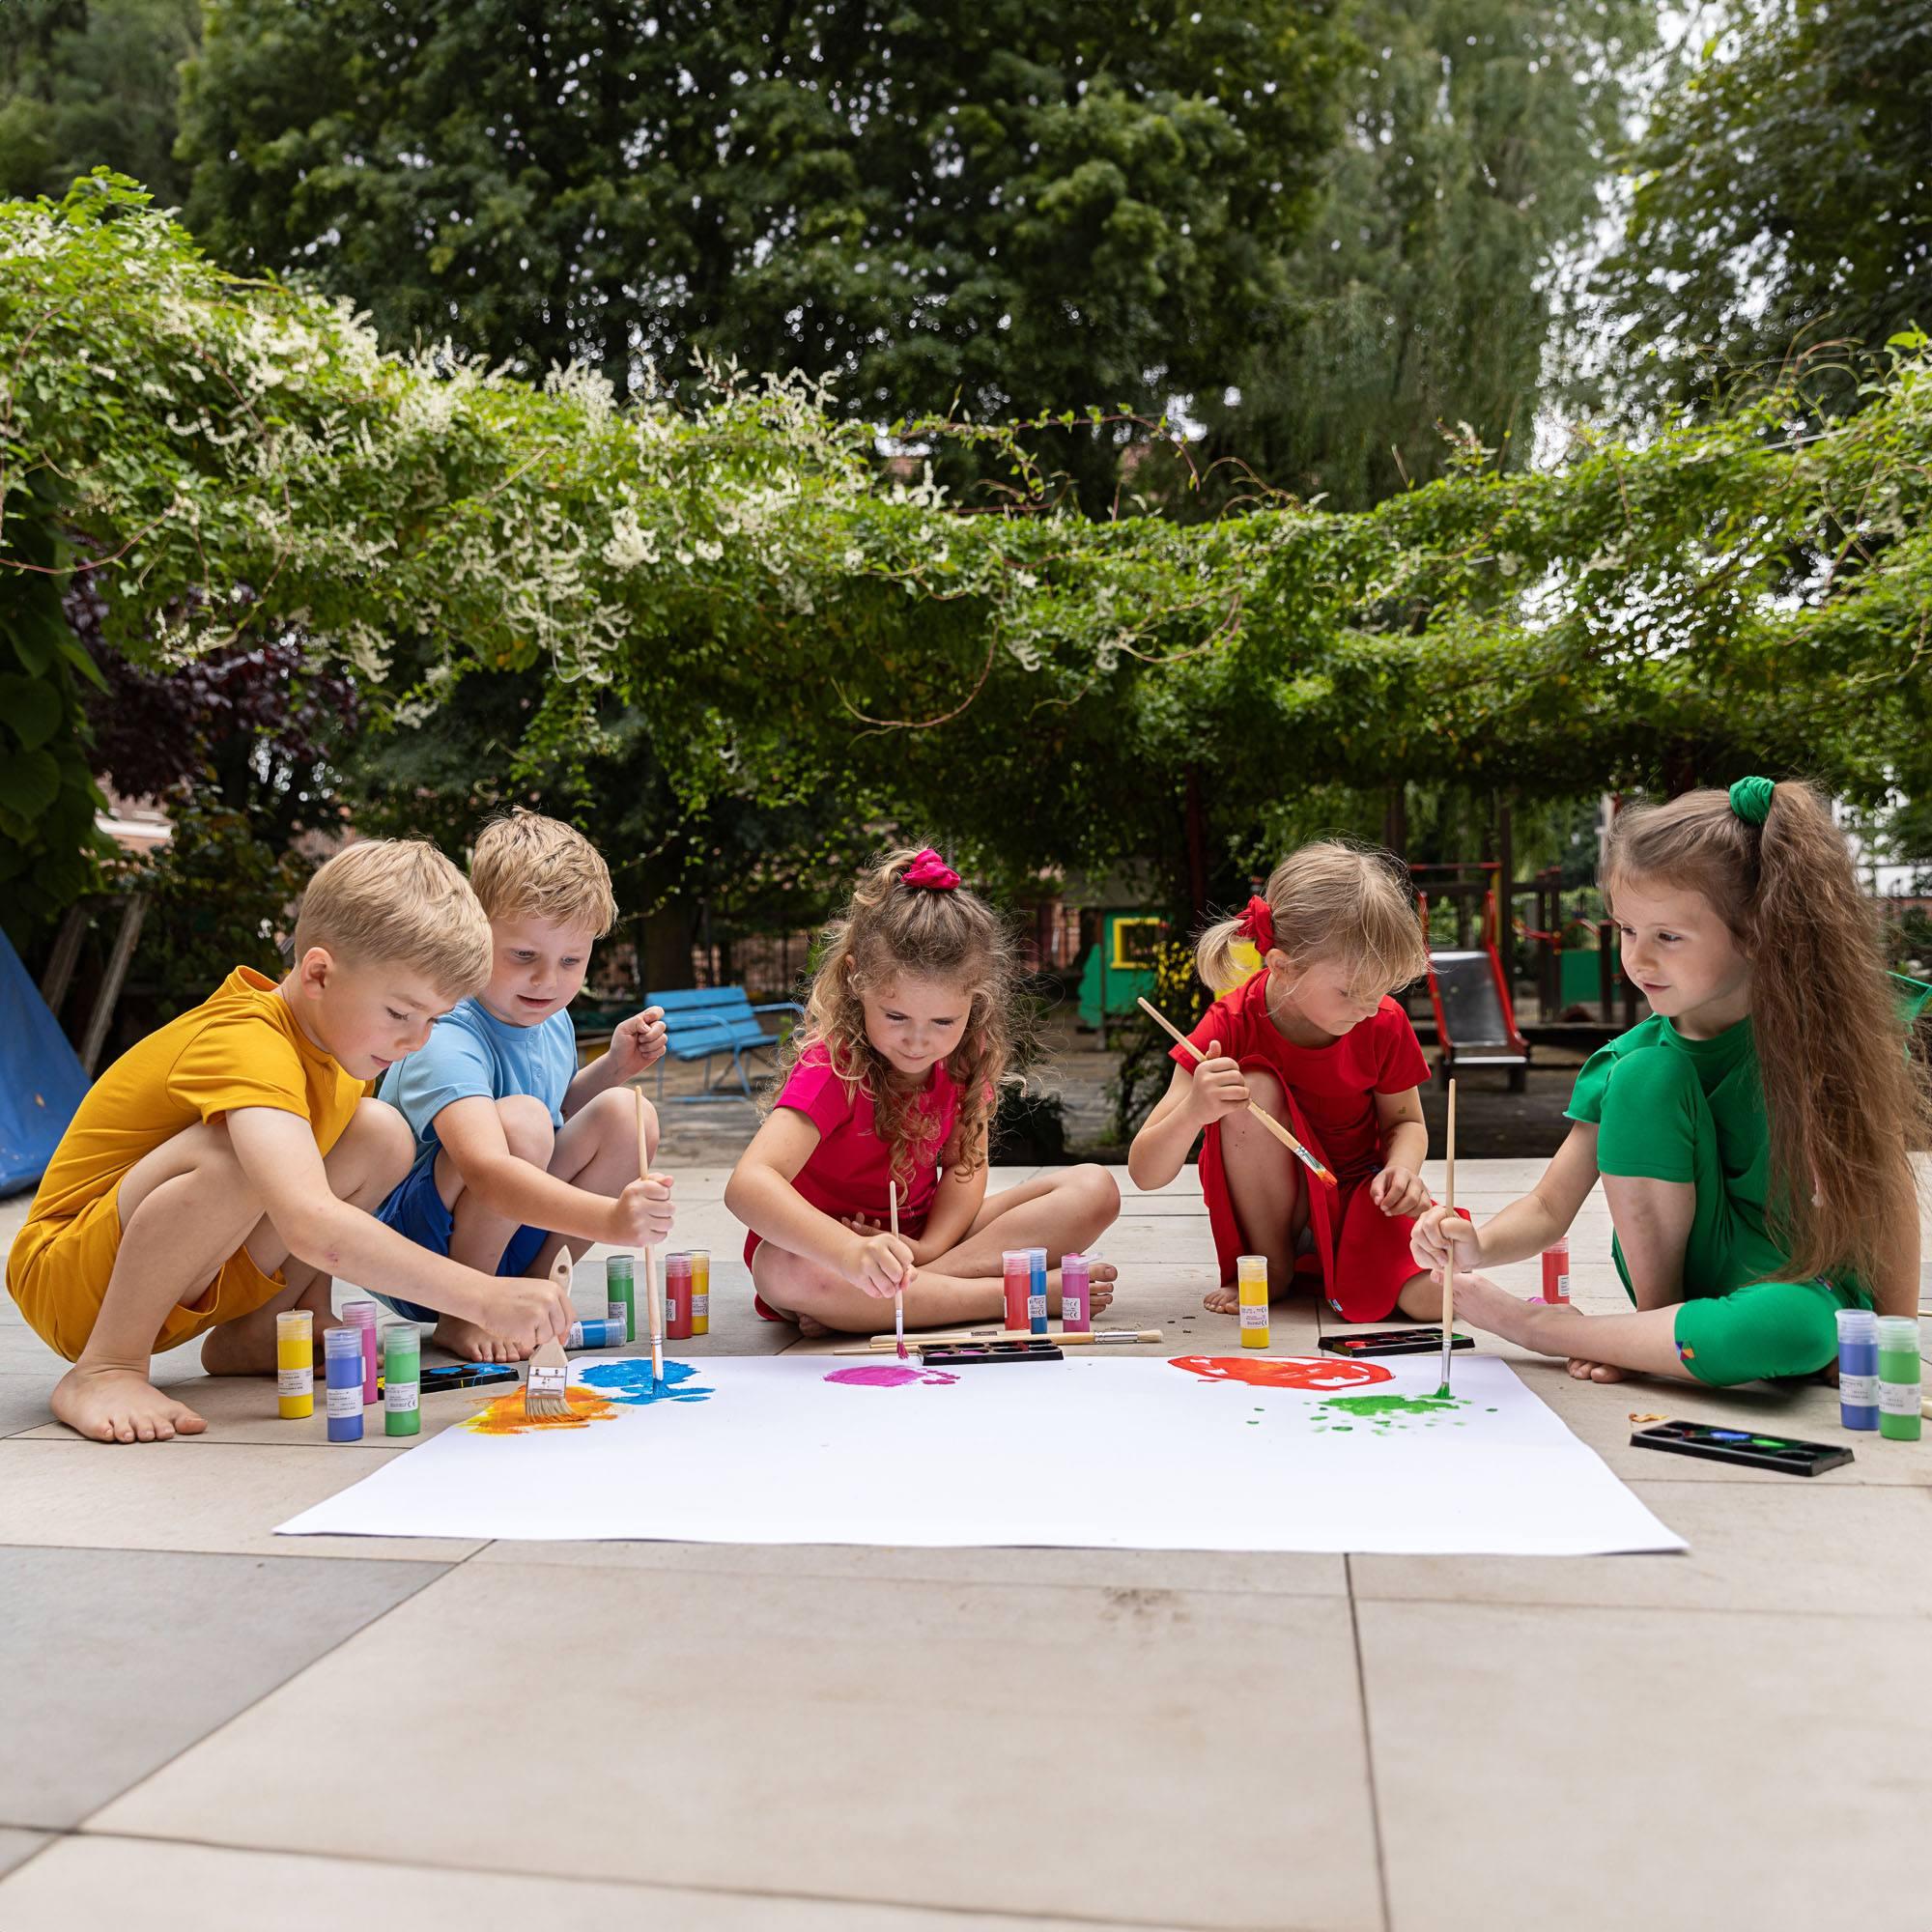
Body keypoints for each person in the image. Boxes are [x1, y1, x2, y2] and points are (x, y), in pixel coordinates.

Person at [7, 840, 576, 1443]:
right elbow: (309, 1220)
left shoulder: (337, 1042)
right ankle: (107, 1366)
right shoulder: (248, 1042)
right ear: (319, 974)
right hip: (72, 1282)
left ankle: (272, 1325)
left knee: (379, 1134)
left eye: (433, 1020)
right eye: (400, 1013)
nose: (416, 1040)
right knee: (238, 1155)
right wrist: (483, 1296)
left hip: (172, 1273)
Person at [1411, 778, 1927, 1386]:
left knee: (1800, 1329)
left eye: (1668, 937)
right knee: (1645, 1077)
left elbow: (1885, 1195)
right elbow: (1550, 1204)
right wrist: (1477, 1245)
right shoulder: (1631, 1057)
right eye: (1627, 931)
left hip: (1799, 1289)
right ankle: (1653, 1331)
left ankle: (1553, 1332)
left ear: (1760, 931)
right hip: (1678, 1287)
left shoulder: (1830, 1041)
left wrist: (1894, 1341)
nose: (1638, 959)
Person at [725, 845, 1120, 1335]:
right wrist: (850, 1254)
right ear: (855, 983)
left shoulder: (966, 1057)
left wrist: (928, 1249)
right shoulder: (832, 1065)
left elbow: (963, 1167)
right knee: (781, 1270)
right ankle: (1014, 1295)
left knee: (1093, 1189)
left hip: (924, 1237)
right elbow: (748, 1186)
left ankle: (901, 1293)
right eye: (895, 1016)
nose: (918, 1040)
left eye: (943, 1021)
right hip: (823, 1250)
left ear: (975, 1003)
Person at [374, 810, 674, 1361]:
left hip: (505, 1224)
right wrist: (610, 1220)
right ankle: (471, 1309)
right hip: (414, 1252)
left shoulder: (546, 1016)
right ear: (475, 931)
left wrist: (613, 1069)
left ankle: (537, 1291)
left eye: (570, 960)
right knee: (523, 1124)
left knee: (629, 1114)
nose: (548, 980)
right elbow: (491, 1164)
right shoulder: (445, 1026)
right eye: (523, 956)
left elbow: (557, 1115)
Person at [1128, 841, 1444, 1323]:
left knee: (1435, 1299)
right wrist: (1196, 1108)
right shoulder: (1229, 1024)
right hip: (1275, 1211)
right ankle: (1272, 1263)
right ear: (1281, 966)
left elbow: (1406, 1122)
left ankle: (1327, 1261)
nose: (1367, 1006)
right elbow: (1145, 1173)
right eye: (1351, 991)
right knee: (1252, 1085)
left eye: (1380, 989)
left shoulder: (1380, 1020)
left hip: (1359, 1197)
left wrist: (1402, 1171)